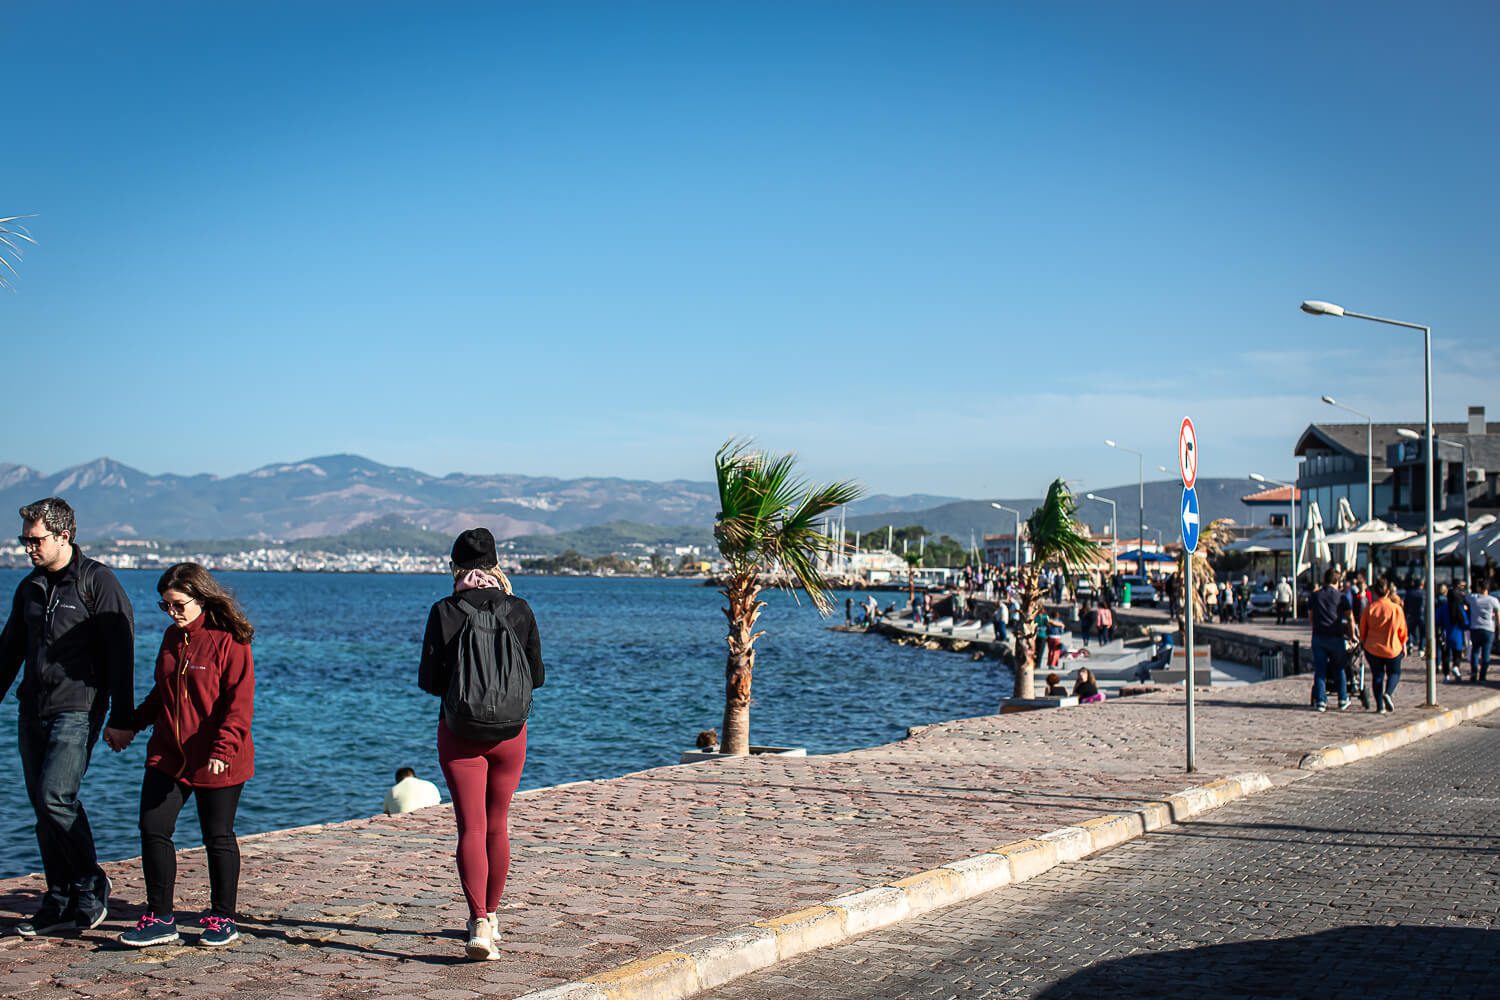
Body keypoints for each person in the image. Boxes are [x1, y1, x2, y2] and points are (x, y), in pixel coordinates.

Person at [0, 498, 135, 936]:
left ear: (64, 535)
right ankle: (58, 899)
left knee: (56, 796)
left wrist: (122, 716)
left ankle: (90, 881)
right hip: (32, 708)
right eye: (25, 540)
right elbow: (8, 653)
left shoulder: (98, 583)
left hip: (78, 708)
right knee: (42, 806)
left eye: (36, 540)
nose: (29, 548)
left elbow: (122, 655)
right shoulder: (29, 588)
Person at [419, 528, 544, 962]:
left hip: (459, 732)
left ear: (455, 567)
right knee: (497, 825)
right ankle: (492, 913)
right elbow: (537, 677)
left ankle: (478, 922)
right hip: (511, 734)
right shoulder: (520, 609)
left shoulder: (443, 610)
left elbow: (429, 681)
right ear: (495, 565)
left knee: (470, 828)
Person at [115, 563, 255, 948]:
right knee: (153, 828)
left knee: (218, 836)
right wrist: (130, 725)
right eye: (165, 606)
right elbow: (162, 695)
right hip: (169, 754)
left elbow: (238, 706)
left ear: (200, 597)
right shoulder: (170, 639)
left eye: (177, 604)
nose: (172, 612)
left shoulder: (230, 641)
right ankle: (160, 916)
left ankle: (223, 917)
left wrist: (223, 749)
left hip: (218, 756)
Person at [1360, 577, 1407, 715]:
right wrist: (1403, 643)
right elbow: (1402, 630)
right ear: (1388, 592)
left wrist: (1363, 641)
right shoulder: (1396, 609)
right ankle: (1388, 693)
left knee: (1377, 675)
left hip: (1373, 647)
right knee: (1395, 672)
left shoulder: (1370, 608)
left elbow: (1363, 629)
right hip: (1392, 647)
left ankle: (1380, 705)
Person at [1309, 568, 1352, 712]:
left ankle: (1321, 701)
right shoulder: (1341, 597)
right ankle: (1343, 699)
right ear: (1337, 581)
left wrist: (1316, 625)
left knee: (1320, 669)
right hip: (1336, 636)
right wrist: (1352, 636)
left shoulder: (1315, 596)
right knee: (1339, 667)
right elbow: (1350, 618)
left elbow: (1311, 616)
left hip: (1319, 636)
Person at [1466, 579, 1499, 683]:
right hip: (1488, 629)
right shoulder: (1493, 600)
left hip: (1475, 628)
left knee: (1475, 652)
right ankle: (1483, 676)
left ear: (1479, 588)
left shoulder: (1473, 598)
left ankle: (1474, 673)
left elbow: (1464, 597)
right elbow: (1498, 615)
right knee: (1486, 654)